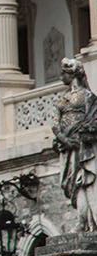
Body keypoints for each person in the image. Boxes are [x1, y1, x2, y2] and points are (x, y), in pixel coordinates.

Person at [54, 57, 97, 231]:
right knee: (73, 183)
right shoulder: (63, 98)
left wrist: (80, 137)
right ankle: (82, 221)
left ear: (71, 74)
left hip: (82, 146)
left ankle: (84, 221)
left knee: (82, 180)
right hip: (67, 147)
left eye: (63, 73)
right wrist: (62, 139)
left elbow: (91, 119)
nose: (60, 77)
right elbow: (56, 123)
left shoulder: (87, 96)